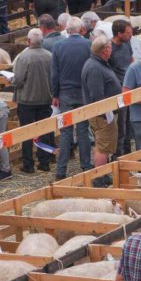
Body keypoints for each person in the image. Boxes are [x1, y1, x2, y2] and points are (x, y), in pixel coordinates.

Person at [50, 17, 93, 180]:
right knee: (83, 130)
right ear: (81, 29)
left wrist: (54, 94)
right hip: (83, 92)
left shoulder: (58, 47)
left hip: (65, 93)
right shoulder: (88, 45)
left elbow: (54, 74)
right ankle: (86, 166)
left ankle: (61, 170)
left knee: (66, 131)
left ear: (67, 30)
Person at [12, 28, 54, 174]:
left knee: (27, 132)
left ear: (28, 41)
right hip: (45, 99)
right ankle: (44, 162)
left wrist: (12, 80)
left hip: (27, 101)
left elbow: (17, 80)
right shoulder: (49, 56)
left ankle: (28, 164)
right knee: (45, 131)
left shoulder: (23, 57)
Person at [81, 36, 120, 186]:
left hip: (105, 113)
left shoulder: (99, 63)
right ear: (104, 50)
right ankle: (98, 177)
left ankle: (103, 174)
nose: (112, 50)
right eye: (110, 48)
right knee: (103, 146)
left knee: (105, 144)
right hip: (102, 114)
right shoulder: (94, 68)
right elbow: (97, 94)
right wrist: (105, 114)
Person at [110, 20, 134, 157]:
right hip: (118, 90)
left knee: (129, 121)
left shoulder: (127, 44)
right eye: (128, 33)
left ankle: (127, 150)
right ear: (119, 34)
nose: (131, 35)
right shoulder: (109, 48)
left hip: (129, 87)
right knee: (120, 124)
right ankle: (117, 154)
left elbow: (131, 60)